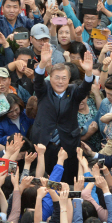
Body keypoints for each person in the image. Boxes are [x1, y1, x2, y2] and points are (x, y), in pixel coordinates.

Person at [30, 45, 94, 183]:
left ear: (69, 79)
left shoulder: (74, 91)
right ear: (50, 77)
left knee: (66, 180)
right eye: (57, 77)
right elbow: (38, 80)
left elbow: (86, 87)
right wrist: (42, 63)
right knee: (42, 180)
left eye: (64, 78)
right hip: (44, 142)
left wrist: (88, 73)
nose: (60, 81)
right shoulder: (44, 89)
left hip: (67, 142)